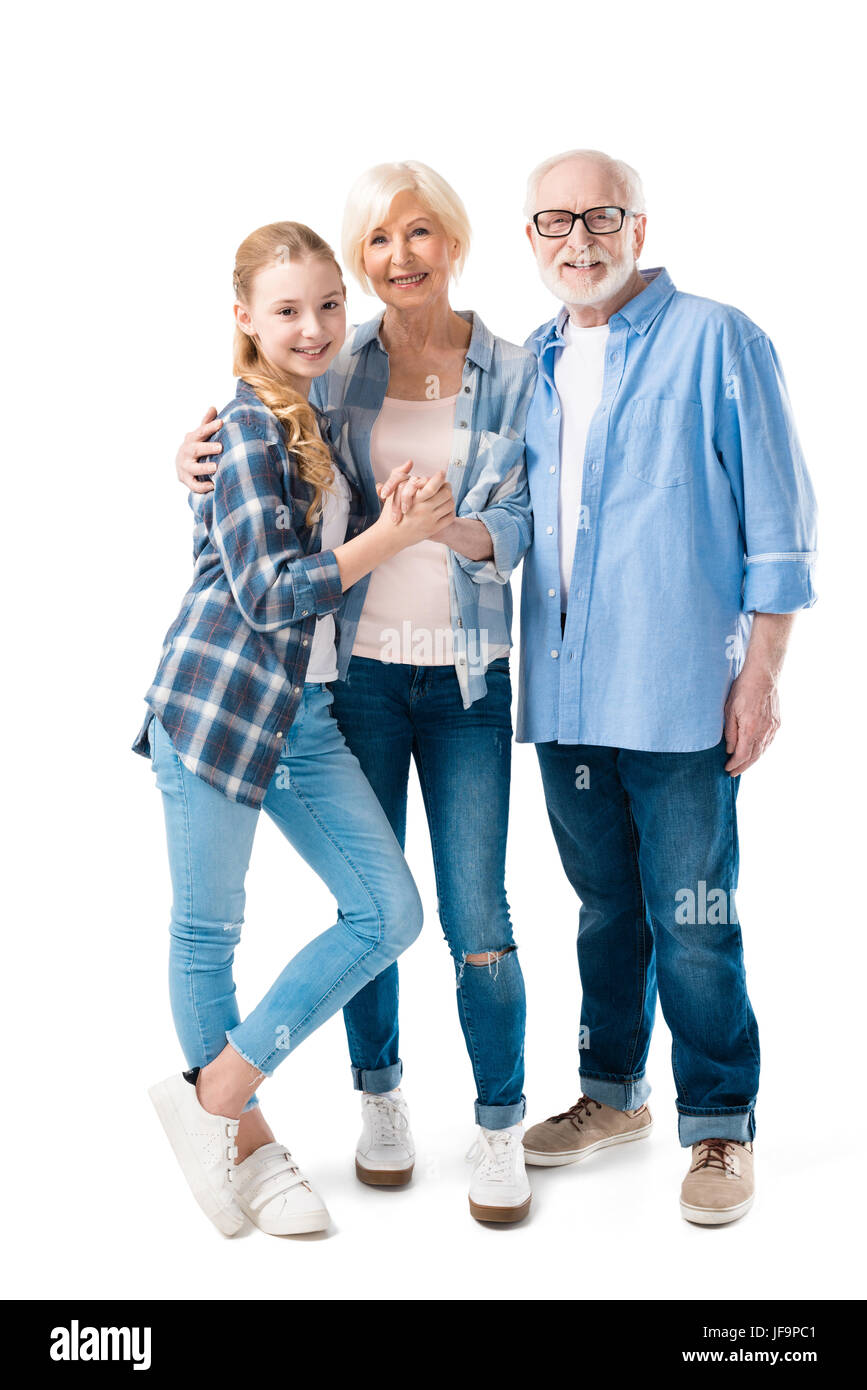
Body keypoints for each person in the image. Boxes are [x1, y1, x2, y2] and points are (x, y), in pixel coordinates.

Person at [175, 162, 538, 1224]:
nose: (400, 259)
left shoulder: (517, 371)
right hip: (358, 680)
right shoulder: (338, 371)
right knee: (372, 911)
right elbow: (262, 476)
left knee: (476, 914)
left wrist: (445, 527)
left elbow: (517, 527)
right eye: (378, 242)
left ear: (454, 241)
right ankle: (380, 1103)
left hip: (467, 673)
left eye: (420, 234)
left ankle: (500, 1125)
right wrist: (189, 456)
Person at [135, 220, 455, 1238]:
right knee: (208, 932)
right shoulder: (243, 431)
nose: (313, 325)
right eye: (286, 309)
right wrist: (388, 536)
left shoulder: (309, 412)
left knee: (388, 909)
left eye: (327, 304)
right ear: (244, 320)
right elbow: (273, 594)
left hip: (304, 714)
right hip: (219, 707)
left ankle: (213, 1095)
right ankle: (253, 1150)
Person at [516, 149, 817, 1224]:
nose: (578, 240)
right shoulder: (532, 367)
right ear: (533, 242)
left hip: (683, 690)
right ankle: (610, 1096)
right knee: (605, 910)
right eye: (554, 222)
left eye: (601, 216)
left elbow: (779, 529)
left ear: (640, 227)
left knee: (694, 914)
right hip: (565, 698)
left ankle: (721, 1126)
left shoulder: (720, 340)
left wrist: (762, 675)